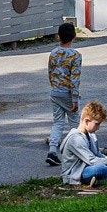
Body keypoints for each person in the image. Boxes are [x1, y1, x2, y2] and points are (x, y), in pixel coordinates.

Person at [59, 100, 107, 188]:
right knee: (100, 168)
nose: (98, 128)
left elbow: (98, 155)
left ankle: (100, 179)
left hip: (89, 166)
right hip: (77, 173)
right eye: (97, 124)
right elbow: (91, 160)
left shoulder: (91, 136)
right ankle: (105, 177)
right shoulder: (75, 139)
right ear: (87, 121)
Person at [45, 22, 82, 167]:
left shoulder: (53, 53)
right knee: (75, 123)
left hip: (55, 92)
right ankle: (80, 151)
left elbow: (50, 72)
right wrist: (74, 98)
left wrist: (54, 87)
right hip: (67, 93)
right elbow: (75, 78)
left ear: (58, 37)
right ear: (74, 36)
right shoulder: (76, 55)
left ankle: (52, 151)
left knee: (58, 123)